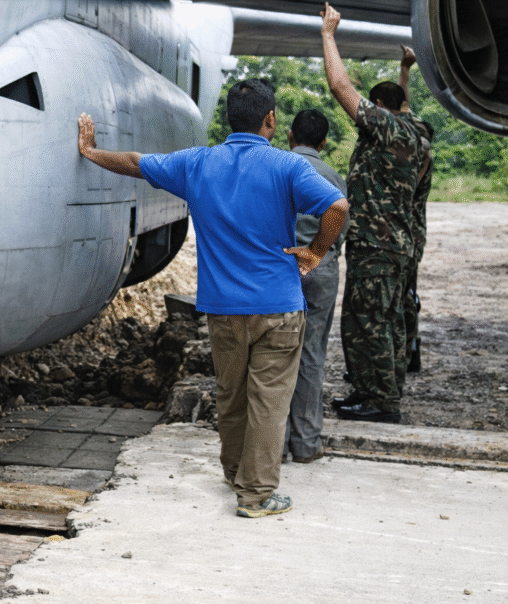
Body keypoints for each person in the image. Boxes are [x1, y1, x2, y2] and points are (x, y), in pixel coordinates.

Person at [77, 78, 348, 518]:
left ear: (228, 121)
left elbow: (133, 162)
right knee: (269, 401)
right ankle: (256, 494)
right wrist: (316, 252)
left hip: (223, 308)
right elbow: (337, 207)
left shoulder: (196, 164)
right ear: (271, 120)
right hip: (278, 305)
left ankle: (234, 471)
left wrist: (91, 153)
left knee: (232, 394)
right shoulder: (288, 167)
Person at [322, 2, 425, 424]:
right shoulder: (413, 130)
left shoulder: (384, 126)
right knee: (389, 321)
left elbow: (340, 88)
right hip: (397, 246)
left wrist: (329, 35)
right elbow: (400, 106)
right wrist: (405, 73)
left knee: (371, 324)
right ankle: (378, 391)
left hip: (378, 247)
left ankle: (382, 403)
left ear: (379, 110)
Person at [284, 109, 351, 463]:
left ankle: (274, 445)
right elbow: (343, 223)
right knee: (312, 355)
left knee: (275, 356)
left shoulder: (277, 165)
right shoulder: (333, 176)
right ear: (324, 142)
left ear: (290, 136)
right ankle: (307, 443)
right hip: (321, 267)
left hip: (282, 268)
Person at [398, 45, 434, 374]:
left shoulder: (420, 155)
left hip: (407, 235)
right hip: (404, 234)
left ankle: (409, 351)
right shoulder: (417, 141)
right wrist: (405, 70)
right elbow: (404, 109)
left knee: (405, 295)